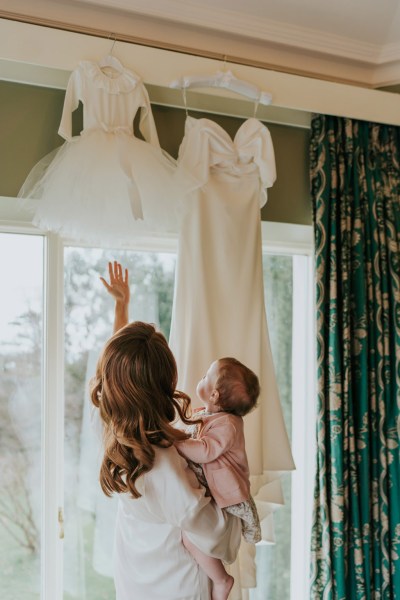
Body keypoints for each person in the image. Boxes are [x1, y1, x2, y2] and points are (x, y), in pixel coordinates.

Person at [92, 261, 241, 600]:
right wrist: (237, 503)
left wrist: (121, 308)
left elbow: (117, 375)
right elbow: (214, 535)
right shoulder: (163, 463)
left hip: (134, 585)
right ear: (167, 383)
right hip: (176, 589)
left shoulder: (112, 432)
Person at [175, 358, 262, 600]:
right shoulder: (209, 415)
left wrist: (176, 442)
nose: (200, 378)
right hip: (214, 492)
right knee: (190, 533)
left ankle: (221, 580)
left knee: (191, 536)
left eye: (205, 376)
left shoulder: (229, 425)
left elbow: (205, 451)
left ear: (213, 395)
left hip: (226, 497)